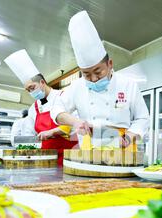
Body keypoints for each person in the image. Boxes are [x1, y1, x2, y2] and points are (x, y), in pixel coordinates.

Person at [50, 11, 149, 149]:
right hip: (88, 153)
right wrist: (75, 122)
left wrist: (129, 136)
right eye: (86, 74)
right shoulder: (76, 87)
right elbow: (56, 110)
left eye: (98, 72)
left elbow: (142, 118)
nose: (94, 79)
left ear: (110, 64)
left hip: (123, 151)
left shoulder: (128, 85)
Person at [4, 49, 77, 165]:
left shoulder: (64, 97)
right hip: (45, 162)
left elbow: (75, 126)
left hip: (69, 160)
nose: (31, 92)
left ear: (42, 82)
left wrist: (51, 132)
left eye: (32, 87)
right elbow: (30, 134)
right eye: (28, 90)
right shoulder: (34, 108)